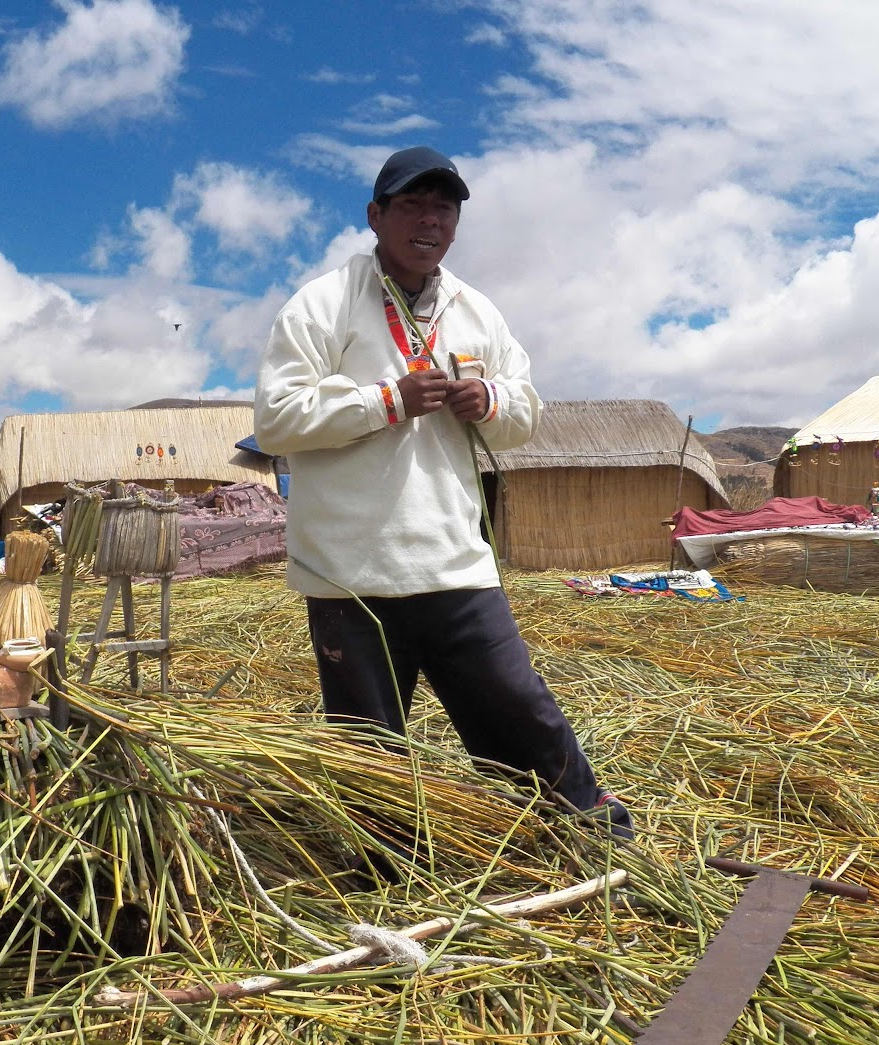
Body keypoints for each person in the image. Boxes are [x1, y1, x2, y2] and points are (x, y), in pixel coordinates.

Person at [254, 145, 632, 841]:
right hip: (350, 573)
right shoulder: (322, 305)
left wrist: (487, 398)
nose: (429, 220)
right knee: (369, 746)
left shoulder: (475, 312)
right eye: (411, 205)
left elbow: (525, 413)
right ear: (375, 215)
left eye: (444, 207)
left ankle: (582, 829)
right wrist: (385, 400)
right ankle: (384, 864)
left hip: (452, 560)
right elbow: (276, 419)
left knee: (517, 704)